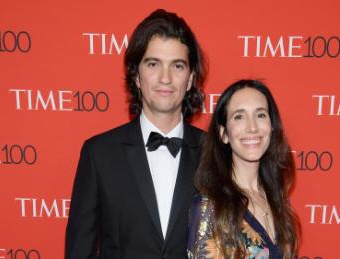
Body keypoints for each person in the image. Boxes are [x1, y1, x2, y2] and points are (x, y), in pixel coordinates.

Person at [65, 9, 206, 259]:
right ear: (137, 76)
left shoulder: (214, 154)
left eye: (177, 65)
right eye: (153, 64)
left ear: (191, 77)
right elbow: (79, 251)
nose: (165, 78)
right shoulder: (99, 154)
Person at [187, 80, 300, 259]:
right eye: (239, 116)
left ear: (272, 127)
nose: (252, 127)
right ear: (224, 134)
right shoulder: (209, 207)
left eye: (260, 115)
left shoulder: (277, 197)